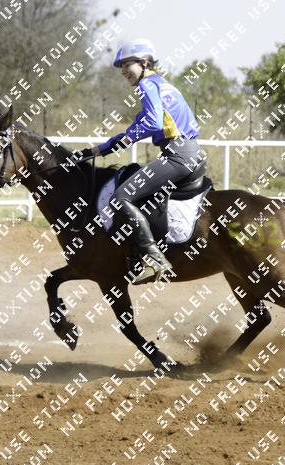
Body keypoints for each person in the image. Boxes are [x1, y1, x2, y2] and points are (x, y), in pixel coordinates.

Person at [74, 38, 203, 285]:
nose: (123, 71)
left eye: (127, 65)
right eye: (121, 67)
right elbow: (137, 127)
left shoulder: (146, 85)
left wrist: (124, 140)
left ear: (144, 62)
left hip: (178, 156)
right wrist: (98, 150)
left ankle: (154, 258)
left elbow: (152, 123)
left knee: (121, 197)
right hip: (190, 153)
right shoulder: (162, 85)